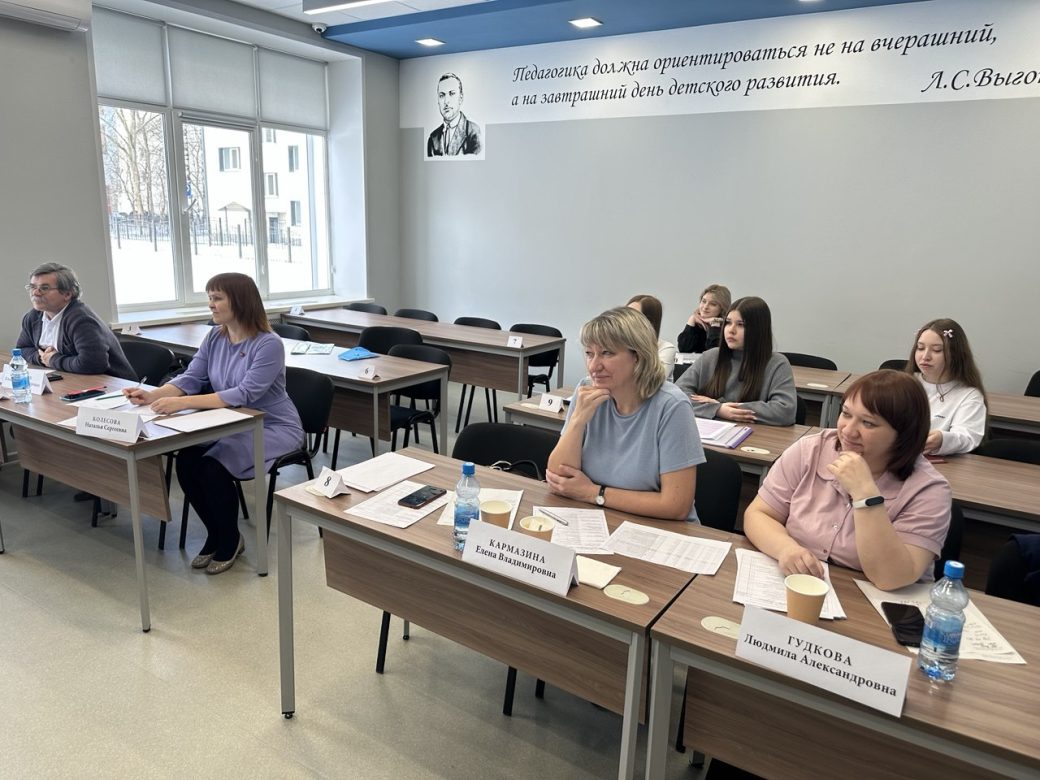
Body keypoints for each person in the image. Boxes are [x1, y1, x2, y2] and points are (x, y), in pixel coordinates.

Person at [126, 273, 303, 575]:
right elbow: (192, 377)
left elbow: (245, 394)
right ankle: (215, 532)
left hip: (272, 426)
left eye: (217, 298)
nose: (211, 304)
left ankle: (230, 539)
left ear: (241, 301)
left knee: (213, 467)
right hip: (227, 421)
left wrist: (182, 403)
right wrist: (154, 395)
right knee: (187, 461)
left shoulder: (268, 344)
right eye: (210, 298)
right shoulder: (215, 337)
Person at [744, 370, 952, 590]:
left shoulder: (929, 490)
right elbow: (759, 514)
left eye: (868, 423)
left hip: (878, 600)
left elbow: (891, 577)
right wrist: (786, 549)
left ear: (904, 433)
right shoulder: (810, 450)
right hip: (801, 585)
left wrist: (865, 494)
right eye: (845, 414)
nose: (848, 431)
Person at [546, 306, 704, 521]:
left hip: (660, 526)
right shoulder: (586, 390)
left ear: (638, 356)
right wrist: (577, 420)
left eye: (607, 353)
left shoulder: (672, 406)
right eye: (589, 353)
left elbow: (676, 505)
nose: (594, 366)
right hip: (599, 519)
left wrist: (593, 493)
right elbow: (558, 478)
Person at [675, 296, 796, 425]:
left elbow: (785, 411)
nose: (731, 330)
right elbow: (677, 394)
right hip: (713, 432)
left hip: (754, 434)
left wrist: (723, 406)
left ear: (758, 330)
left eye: (741, 325)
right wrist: (718, 409)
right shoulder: (711, 356)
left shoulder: (777, 364)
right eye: (728, 323)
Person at [16, 262, 136, 380]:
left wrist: (53, 360)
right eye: (32, 287)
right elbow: (22, 349)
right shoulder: (33, 317)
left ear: (67, 294)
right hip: (69, 379)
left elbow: (93, 364)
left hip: (113, 384)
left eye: (44, 288)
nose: (35, 292)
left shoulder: (81, 320)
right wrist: (42, 358)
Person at [906, 318, 987, 455]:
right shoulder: (904, 383)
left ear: (955, 355)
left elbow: (967, 437)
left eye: (937, 350)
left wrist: (942, 439)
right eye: (920, 348)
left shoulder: (969, 395)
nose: (925, 356)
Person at [427, 73, 482, 156]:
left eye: (452, 94)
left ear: (461, 98)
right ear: (438, 101)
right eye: (442, 95)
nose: (446, 101)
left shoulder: (474, 132)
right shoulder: (433, 138)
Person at [626, 294, 676, 376]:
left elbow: (654, 380)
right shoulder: (619, 345)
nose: (625, 320)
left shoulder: (666, 348)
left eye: (632, 316)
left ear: (649, 322)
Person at [677, 283, 731, 354]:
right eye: (704, 301)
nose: (705, 307)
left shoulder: (728, 328)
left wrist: (715, 323)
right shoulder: (697, 323)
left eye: (713, 304)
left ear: (722, 308)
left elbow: (714, 353)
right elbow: (684, 349)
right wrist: (691, 320)